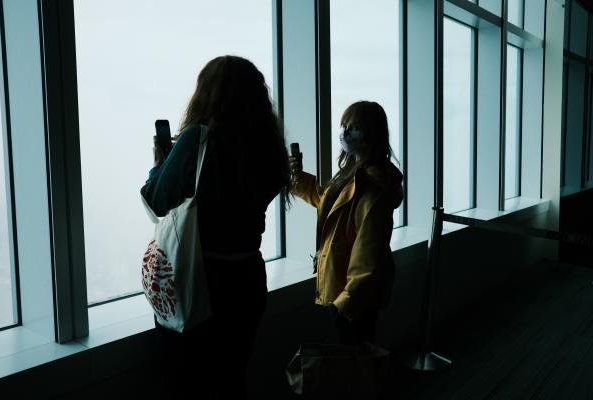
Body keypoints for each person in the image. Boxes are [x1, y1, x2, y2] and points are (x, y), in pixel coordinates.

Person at [141, 55, 290, 398]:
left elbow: (156, 201)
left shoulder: (197, 139)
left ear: (205, 93)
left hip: (202, 278)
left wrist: (161, 163)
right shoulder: (267, 145)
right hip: (248, 277)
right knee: (230, 378)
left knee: (188, 381)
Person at [289, 101, 403, 345]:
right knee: (352, 357)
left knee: (354, 359)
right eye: (344, 126)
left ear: (372, 133)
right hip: (344, 287)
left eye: (354, 127)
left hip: (354, 295)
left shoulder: (373, 187)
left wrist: (347, 302)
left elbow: (368, 254)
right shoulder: (353, 173)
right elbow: (327, 203)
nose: (345, 132)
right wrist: (298, 178)